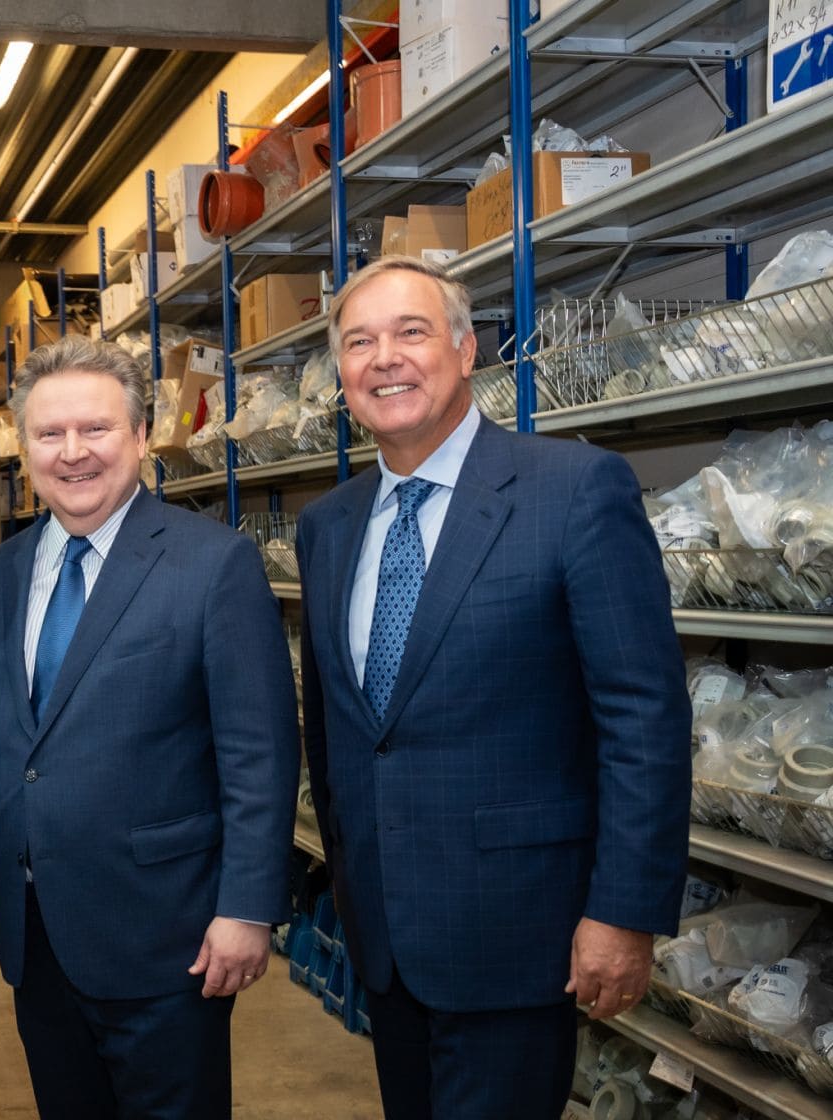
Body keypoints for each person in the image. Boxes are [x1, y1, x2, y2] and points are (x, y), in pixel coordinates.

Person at [294, 255, 692, 1120]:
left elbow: (643, 718)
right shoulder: (328, 525)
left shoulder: (574, 490)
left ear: (466, 349)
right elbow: (335, 727)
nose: (384, 359)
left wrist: (623, 911)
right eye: (358, 343)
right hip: (386, 935)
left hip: (520, 933)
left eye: (411, 332)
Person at [0, 335, 299, 1119]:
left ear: (139, 434)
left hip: (167, 933)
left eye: (94, 429)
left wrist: (249, 908)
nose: (72, 454)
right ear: (24, 447)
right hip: (34, 924)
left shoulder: (212, 564)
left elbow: (258, 754)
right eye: (48, 434)